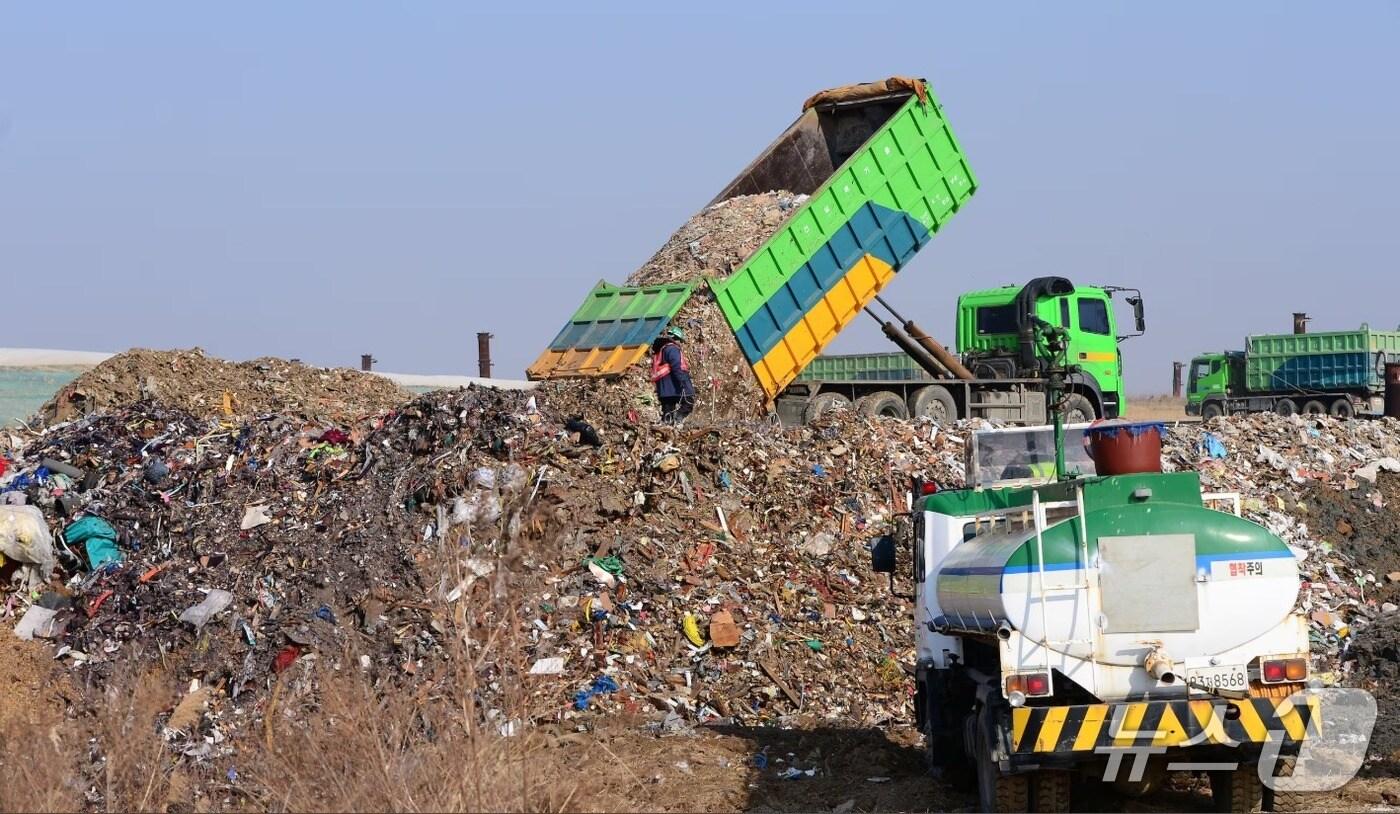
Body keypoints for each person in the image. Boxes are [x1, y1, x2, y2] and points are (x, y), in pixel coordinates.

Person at [650, 326, 695, 425]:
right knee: (688, 402)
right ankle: (677, 420)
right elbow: (676, 366)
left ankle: (667, 427)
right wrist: (683, 381)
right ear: (676, 338)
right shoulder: (672, 349)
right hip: (674, 385)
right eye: (680, 341)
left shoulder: (661, 349)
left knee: (668, 409)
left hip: (663, 387)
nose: (680, 343)